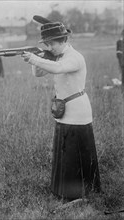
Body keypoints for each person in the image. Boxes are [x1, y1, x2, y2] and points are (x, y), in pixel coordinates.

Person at [22, 20, 101, 201]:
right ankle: (63, 191)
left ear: (63, 39)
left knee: (76, 153)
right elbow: (38, 73)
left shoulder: (74, 57)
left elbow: (59, 69)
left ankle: (82, 192)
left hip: (77, 111)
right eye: (47, 44)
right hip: (63, 110)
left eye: (51, 43)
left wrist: (36, 58)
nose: (50, 47)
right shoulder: (56, 56)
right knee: (65, 153)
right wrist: (37, 58)